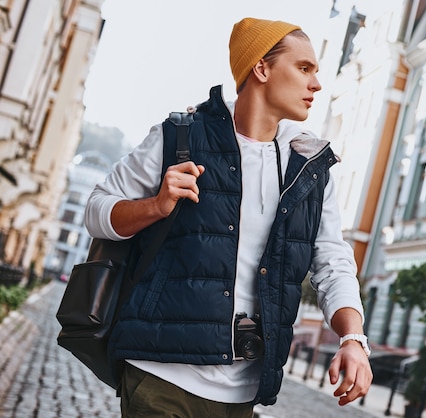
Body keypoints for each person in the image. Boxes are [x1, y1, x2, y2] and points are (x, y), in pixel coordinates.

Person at [84, 17, 373, 417]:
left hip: (242, 393)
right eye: (304, 68)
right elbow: (98, 211)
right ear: (262, 68)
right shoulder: (180, 136)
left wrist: (352, 339)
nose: (316, 84)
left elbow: (333, 263)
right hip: (162, 376)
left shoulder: (309, 168)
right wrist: (156, 205)